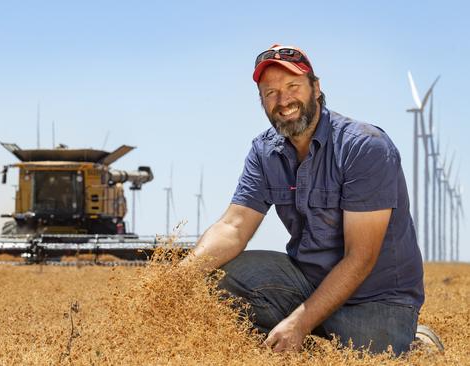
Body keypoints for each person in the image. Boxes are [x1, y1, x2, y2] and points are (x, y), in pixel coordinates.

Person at [182, 44, 426, 355]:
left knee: (371, 349)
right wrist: (177, 277)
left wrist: (299, 322)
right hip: (306, 283)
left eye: (293, 86)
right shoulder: (264, 151)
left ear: (316, 88)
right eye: (270, 93)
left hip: (374, 296)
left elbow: (360, 257)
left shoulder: (365, 147)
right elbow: (234, 225)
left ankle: (415, 340)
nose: (283, 101)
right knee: (219, 276)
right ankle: (302, 342)